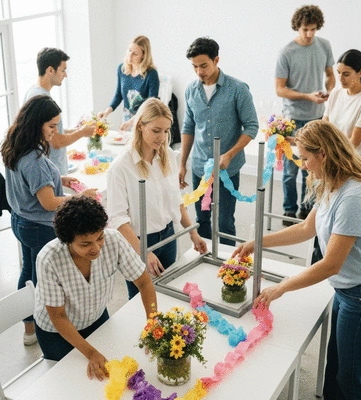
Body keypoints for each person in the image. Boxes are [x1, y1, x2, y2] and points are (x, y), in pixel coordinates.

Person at [233, 120, 361, 400]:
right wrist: (256, 242)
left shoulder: (355, 197)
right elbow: (305, 229)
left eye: (306, 158)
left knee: (352, 378)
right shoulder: (331, 184)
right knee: (338, 370)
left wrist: (281, 287)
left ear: (323, 154)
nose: (304, 166)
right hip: (349, 293)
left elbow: (331, 263)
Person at [0, 95, 97, 346]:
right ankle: (48, 325)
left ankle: (28, 326)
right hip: (39, 226)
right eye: (52, 126)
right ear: (36, 124)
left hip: (20, 221)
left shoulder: (13, 145)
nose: (56, 132)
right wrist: (79, 198)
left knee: (28, 271)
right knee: (44, 280)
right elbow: (49, 202)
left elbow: (32, 186)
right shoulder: (33, 160)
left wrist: (58, 178)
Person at [34, 196, 157, 380]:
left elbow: (144, 283)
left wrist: (152, 323)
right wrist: (90, 353)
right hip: (56, 332)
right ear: (67, 240)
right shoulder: (49, 259)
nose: (96, 248)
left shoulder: (113, 239)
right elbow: (58, 316)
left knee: (105, 376)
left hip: (96, 317)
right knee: (69, 382)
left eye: (99, 238)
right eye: (85, 244)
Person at [107, 98, 207, 299]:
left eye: (166, 130)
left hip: (169, 236)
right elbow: (117, 219)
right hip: (138, 242)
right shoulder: (121, 167)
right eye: (156, 130)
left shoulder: (168, 155)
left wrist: (192, 232)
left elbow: (176, 200)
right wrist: (144, 251)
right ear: (140, 126)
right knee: (140, 300)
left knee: (169, 295)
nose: (162, 137)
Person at [179, 37, 258, 246]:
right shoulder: (191, 90)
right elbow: (188, 127)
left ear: (216, 60)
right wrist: (182, 164)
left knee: (225, 222)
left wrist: (230, 154)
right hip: (199, 166)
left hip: (227, 168)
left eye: (204, 65)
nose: (199, 72)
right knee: (202, 219)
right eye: (194, 67)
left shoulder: (238, 89)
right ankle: (204, 261)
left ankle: (228, 270)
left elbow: (252, 126)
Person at [275, 5, 335, 224]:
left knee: (312, 168)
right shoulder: (286, 52)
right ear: (297, 27)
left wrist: (328, 91)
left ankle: (307, 209)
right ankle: (289, 210)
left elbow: (330, 75)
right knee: (292, 169)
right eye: (305, 30)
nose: (309, 34)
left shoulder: (324, 46)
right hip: (292, 117)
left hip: (317, 117)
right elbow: (280, 89)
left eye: (313, 29)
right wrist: (308, 96)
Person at [24, 47, 96, 175]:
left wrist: (79, 129)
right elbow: (56, 141)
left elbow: (53, 131)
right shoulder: (42, 99)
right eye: (63, 70)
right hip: (52, 171)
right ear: (50, 70)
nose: (65, 75)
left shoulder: (32, 92)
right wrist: (82, 132)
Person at [323, 49, 361, 172]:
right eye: (338, 73)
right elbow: (324, 128)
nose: (340, 79)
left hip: (357, 168)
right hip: (334, 161)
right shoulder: (336, 92)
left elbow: (352, 144)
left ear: (360, 72)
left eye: (346, 74)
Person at [98, 35, 160, 131]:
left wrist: (131, 122)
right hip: (127, 116)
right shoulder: (122, 69)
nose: (130, 55)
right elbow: (118, 95)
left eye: (135, 53)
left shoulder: (151, 74)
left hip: (145, 118)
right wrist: (107, 111)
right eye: (129, 50)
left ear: (144, 55)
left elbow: (151, 105)